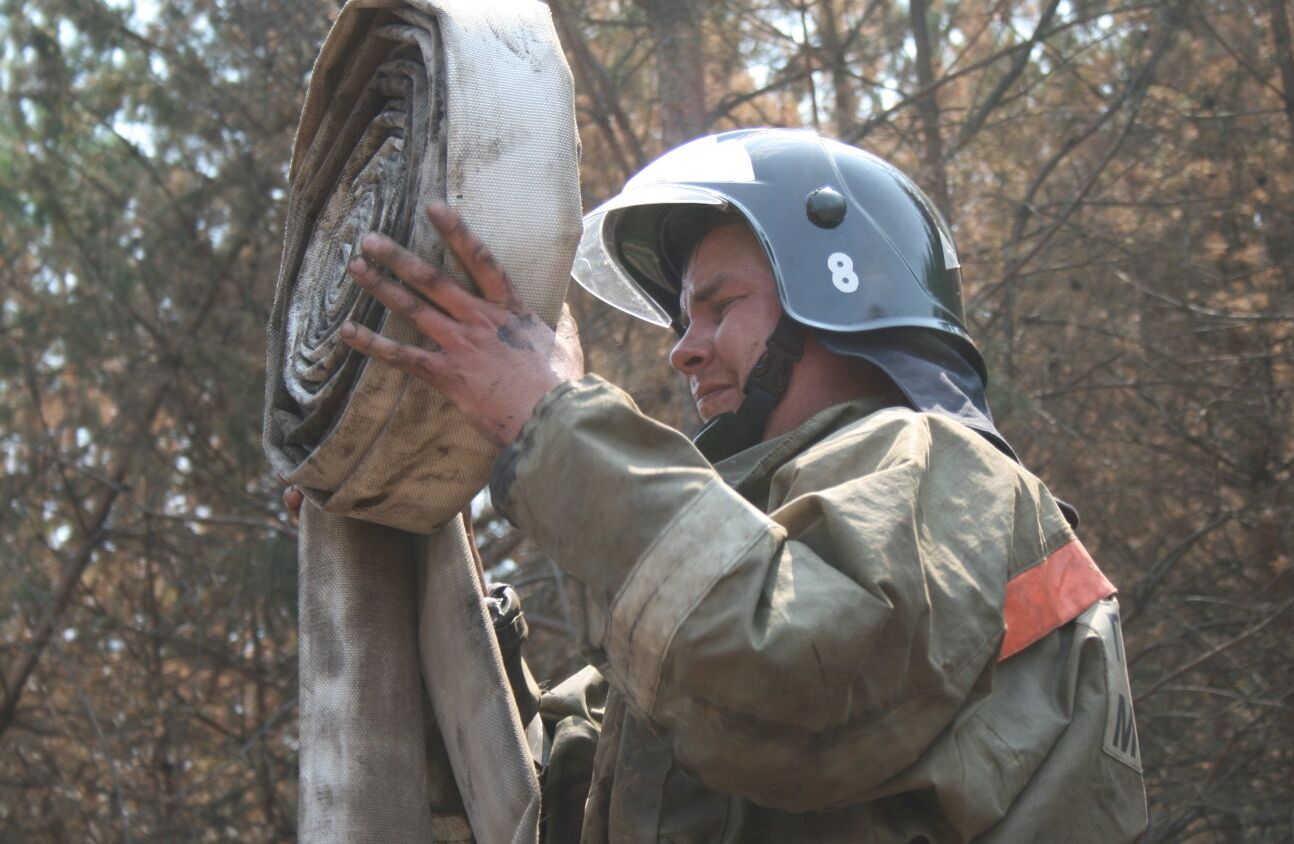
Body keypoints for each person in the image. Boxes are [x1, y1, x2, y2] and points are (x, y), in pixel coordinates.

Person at [300, 128, 1149, 842]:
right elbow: (546, 798)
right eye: (682, 318)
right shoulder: (767, 553)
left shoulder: (951, 474)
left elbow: (789, 678)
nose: (684, 347)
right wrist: (401, 533)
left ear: (840, 293)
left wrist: (551, 419)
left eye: (718, 306)